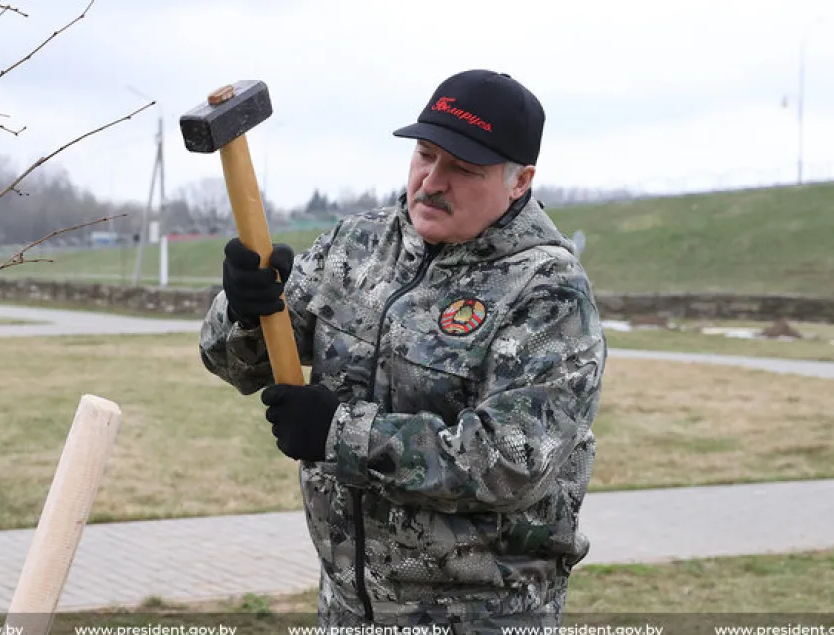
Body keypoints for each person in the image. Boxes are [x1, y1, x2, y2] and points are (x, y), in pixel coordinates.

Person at [198, 69, 606, 633]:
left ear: (519, 181)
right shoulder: (357, 246)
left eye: (464, 168)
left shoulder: (547, 291)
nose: (433, 181)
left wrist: (341, 434)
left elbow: (513, 461)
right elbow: (236, 364)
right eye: (425, 155)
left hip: (481, 616)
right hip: (348, 608)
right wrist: (242, 311)